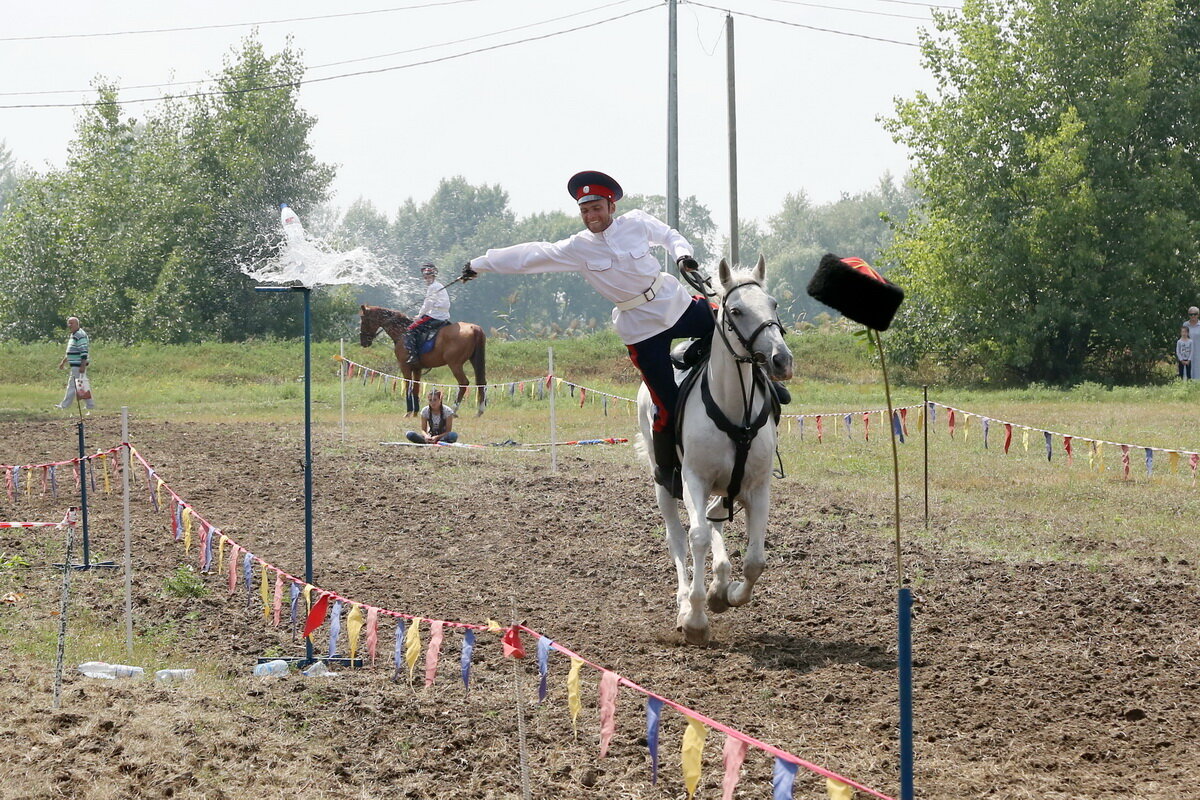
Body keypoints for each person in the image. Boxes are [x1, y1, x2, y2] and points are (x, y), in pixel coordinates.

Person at [460, 170, 713, 499]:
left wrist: (683, 256)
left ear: (611, 206)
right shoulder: (577, 248)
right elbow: (528, 255)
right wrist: (478, 264)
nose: (591, 216)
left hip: (674, 303)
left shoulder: (636, 222)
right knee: (667, 405)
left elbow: (669, 236)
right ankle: (667, 468)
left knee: (736, 326)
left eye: (596, 208)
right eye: (585, 211)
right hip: (640, 328)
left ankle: (762, 385)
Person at [404, 263, 451, 367]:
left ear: (433, 276)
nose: (426, 279)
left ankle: (413, 357)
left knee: (410, 330)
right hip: (444, 315)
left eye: (428, 277)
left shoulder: (432, 287)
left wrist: (419, 316)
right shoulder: (439, 285)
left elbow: (427, 304)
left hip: (435, 315)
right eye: (425, 277)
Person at [55, 316, 94, 411]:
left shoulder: (80, 335)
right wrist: (63, 362)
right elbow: (70, 351)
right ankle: (90, 405)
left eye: (71, 323)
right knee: (82, 385)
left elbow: (84, 351)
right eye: (68, 323)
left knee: (72, 386)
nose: (69, 325)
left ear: (77, 324)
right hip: (75, 365)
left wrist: (82, 365)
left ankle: (64, 405)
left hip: (78, 365)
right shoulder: (73, 335)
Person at [1186, 308, 1200, 380]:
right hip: (1187, 351)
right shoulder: (1185, 325)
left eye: (1195, 314)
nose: (1193, 316)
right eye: (1191, 314)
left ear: (1198, 315)